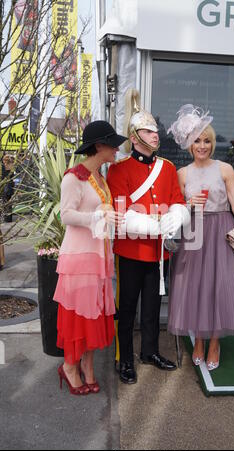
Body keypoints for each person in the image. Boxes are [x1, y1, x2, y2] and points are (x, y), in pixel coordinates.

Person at [167, 104, 234, 371]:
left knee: (220, 288)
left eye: (207, 140)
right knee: (195, 288)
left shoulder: (225, 169)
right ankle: (198, 339)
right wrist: (188, 205)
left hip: (221, 232)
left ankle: (215, 342)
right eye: (197, 140)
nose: (202, 145)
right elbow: (175, 211)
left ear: (212, 142)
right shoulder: (182, 174)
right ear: (189, 143)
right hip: (194, 233)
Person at [107, 89, 190, 384]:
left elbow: (178, 201)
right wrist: (158, 225)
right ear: (135, 137)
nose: (156, 136)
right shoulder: (118, 170)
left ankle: (150, 352)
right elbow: (122, 215)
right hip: (130, 252)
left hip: (158, 254)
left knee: (153, 307)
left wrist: (176, 217)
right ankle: (125, 359)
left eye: (156, 131)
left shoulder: (167, 168)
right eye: (148, 131)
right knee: (127, 308)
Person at [53, 121, 127, 395]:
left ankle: (87, 366)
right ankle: (70, 366)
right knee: (79, 316)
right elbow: (66, 215)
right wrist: (98, 216)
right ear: (99, 146)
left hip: (98, 256)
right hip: (79, 258)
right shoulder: (74, 177)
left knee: (92, 315)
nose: (117, 148)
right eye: (113, 143)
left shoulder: (99, 177)